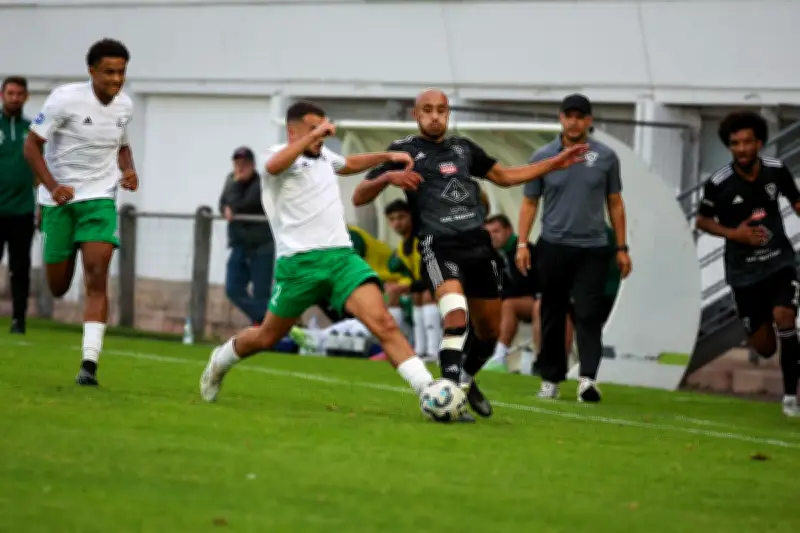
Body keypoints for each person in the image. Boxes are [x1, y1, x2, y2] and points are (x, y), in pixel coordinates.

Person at [352, 88, 587, 420]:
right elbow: (359, 196)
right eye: (428, 110)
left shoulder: (463, 148)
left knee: (488, 333)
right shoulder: (402, 151)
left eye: (441, 110)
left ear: (448, 114)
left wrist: (555, 162)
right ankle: (450, 394)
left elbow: (505, 177)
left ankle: (464, 378)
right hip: (439, 246)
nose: (435, 116)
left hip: (478, 248)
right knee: (455, 315)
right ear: (416, 115)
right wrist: (389, 176)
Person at [199, 101, 439, 414]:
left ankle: (428, 392)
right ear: (292, 131)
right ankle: (221, 360)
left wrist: (387, 158)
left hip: (341, 259)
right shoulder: (274, 157)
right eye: (313, 130)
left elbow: (349, 163)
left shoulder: (323, 154)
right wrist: (312, 137)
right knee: (266, 337)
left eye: (323, 129)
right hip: (298, 266)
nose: (321, 137)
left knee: (383, 323)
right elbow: (274, 167)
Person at [23, 39, 137, 386]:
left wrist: (129, 169)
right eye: (108, 72)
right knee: (58, 286)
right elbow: (31, 146)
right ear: (92, 71)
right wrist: (52, 186)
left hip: (99, 199)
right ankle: (62, 245)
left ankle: (89, 364)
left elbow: (122, 145)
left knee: (98, 272)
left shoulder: (125, 106)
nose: (116, 79)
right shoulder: (64, 99)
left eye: (121, 72)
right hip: (59, 201)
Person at [516, 93, 632, 403]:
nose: (574, 121)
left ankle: (587, 379)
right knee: (552, 314)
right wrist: (523, 243)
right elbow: (529, 202)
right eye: (569, 115)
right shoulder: (542, 155)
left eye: (580, 116)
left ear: (589, 120)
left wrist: (621, 247)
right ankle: (551, 379)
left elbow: (615, 204)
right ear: (560, 118)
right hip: (553, 245)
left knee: (588, 314)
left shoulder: (606, 157)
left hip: (593, 248)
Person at [696, 110, 800, 417]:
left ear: (760, 143)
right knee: (766, 346)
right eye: (735, 143)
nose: (742, 149)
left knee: (785, 316)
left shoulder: (776, 170)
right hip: (743, 273)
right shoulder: (719, 183)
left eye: (748, 142)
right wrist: (735, 234)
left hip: (778, 261)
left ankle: (790, 399)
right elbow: (703, 219)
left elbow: (796, 201)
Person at [482, 214, 574, 371]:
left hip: (544, 299)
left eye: (496, 231)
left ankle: (512, 357)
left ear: (509, 230)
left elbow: (529, 285)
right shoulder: (496, 255)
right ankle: (491, 355)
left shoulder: (524, 251)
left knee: (512, 304)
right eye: (488, 233)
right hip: (530, 301)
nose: (492, 237)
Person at [219, 146, 275, 325]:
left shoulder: (260, 184)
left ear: (252, 165)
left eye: (244, 164)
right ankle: (269, 321)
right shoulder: (231, 180)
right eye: (237, 164)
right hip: (239, 244)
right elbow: (223, 203)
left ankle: (264, 330)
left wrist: (233, 193)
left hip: (261, 246)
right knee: (233, 288)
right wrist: (225, 208)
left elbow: (242, 204)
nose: (240, 168)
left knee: (261, 293)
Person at [384, 199, 441, 361]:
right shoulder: (403, 247)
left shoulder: (423, 240)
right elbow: (415, 278)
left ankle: (434, 351)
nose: (397, 223)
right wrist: (399, 286)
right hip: (427, 284)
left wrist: (406, 286)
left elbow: (433, 274)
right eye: (392, 219)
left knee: (426, 295)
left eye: (401, 217)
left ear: (411, 217)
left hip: (450, 281)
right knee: (416, 295)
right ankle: (418, 349)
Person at [0, 76, 36, 334]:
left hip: (23, 211)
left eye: (19, 93)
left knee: (20, 267)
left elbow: (42, 169)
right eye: (10, 93)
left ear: (26, 97)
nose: (14, 97)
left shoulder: (32, 130)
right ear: (2, 95)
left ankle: (19, 320)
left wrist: (44, 204)